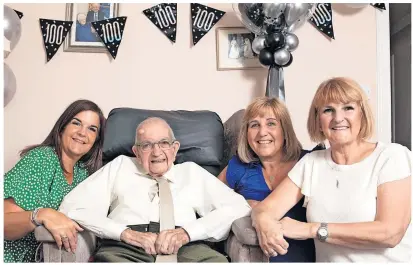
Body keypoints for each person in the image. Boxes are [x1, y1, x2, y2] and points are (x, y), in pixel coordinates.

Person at [252, 77, 412, 262]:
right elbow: (263, 210)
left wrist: (311, 229)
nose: (338, 118)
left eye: (348, 108)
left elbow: (390, 233)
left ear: (362, 114)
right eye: (328, 110)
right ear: (318, 119)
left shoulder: (392, 156)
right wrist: (264, 222)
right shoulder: (312, 163)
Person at [59, 117, 251, 262]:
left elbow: (239, 207)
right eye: (147, 145)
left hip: (188, 248)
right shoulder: (120, 166)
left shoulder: (192, 172)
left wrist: (186, 233)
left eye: (164, 143)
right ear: (136, 151)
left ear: (175, 148)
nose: (157, 152)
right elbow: (72, 206)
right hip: (124, 249)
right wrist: (126, 234)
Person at [4, 99, 106, 262]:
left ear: (95, 141)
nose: (82, 133)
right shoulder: (41, 159)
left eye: (92, 129)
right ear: (62, 127)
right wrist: (39, 215)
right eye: (76, 123)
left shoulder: (83, 175)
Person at [217, 97, 316, 262]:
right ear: (246, 133)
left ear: (285, 130)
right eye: (254, 125)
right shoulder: (238, 166)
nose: (262, 132)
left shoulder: (309, 162)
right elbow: (208, 204)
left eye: (271, 123)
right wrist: (243, 205)